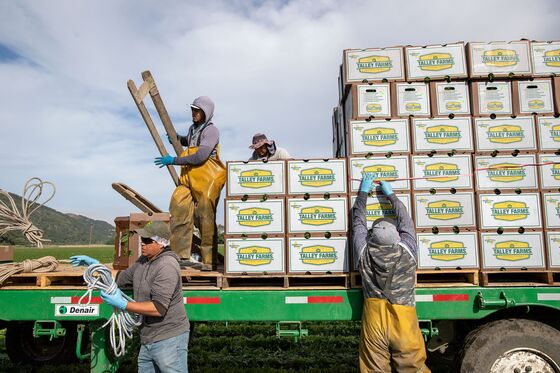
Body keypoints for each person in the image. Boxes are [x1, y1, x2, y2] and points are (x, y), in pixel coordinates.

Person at [70, 221, 190, 373]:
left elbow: (158, 308)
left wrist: (123, 304)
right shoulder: (143, 261)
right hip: (148, 337)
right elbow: (120, 277)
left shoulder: (166, 266)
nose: (142, 244)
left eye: (147, 240)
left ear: (161, 243)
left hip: (169, 339)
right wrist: (96, 266)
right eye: (142, 239)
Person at [352, 174, 430, 373]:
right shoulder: (408, 251)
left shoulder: (364, 252)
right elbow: (406, 221)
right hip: (403, 320)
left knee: (373, 369)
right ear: (397, 236)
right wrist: (391, 195)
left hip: (374, 322)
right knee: (413, 368)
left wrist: (363, 193)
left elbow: (358, 223)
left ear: (371, 237)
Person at [154, 96, 226, 271]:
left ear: (205, 112)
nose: (193, 113)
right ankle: (180, 256)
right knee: (178, 205)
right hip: (189, 177)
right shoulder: (193, 129)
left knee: (204, 216)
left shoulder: (211, 131)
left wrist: (174, 160)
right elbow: (190, 141)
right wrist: (178, 138)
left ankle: (209, 260)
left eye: (197, 111)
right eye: (192, 110)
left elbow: (201, 156)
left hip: (208, 178)